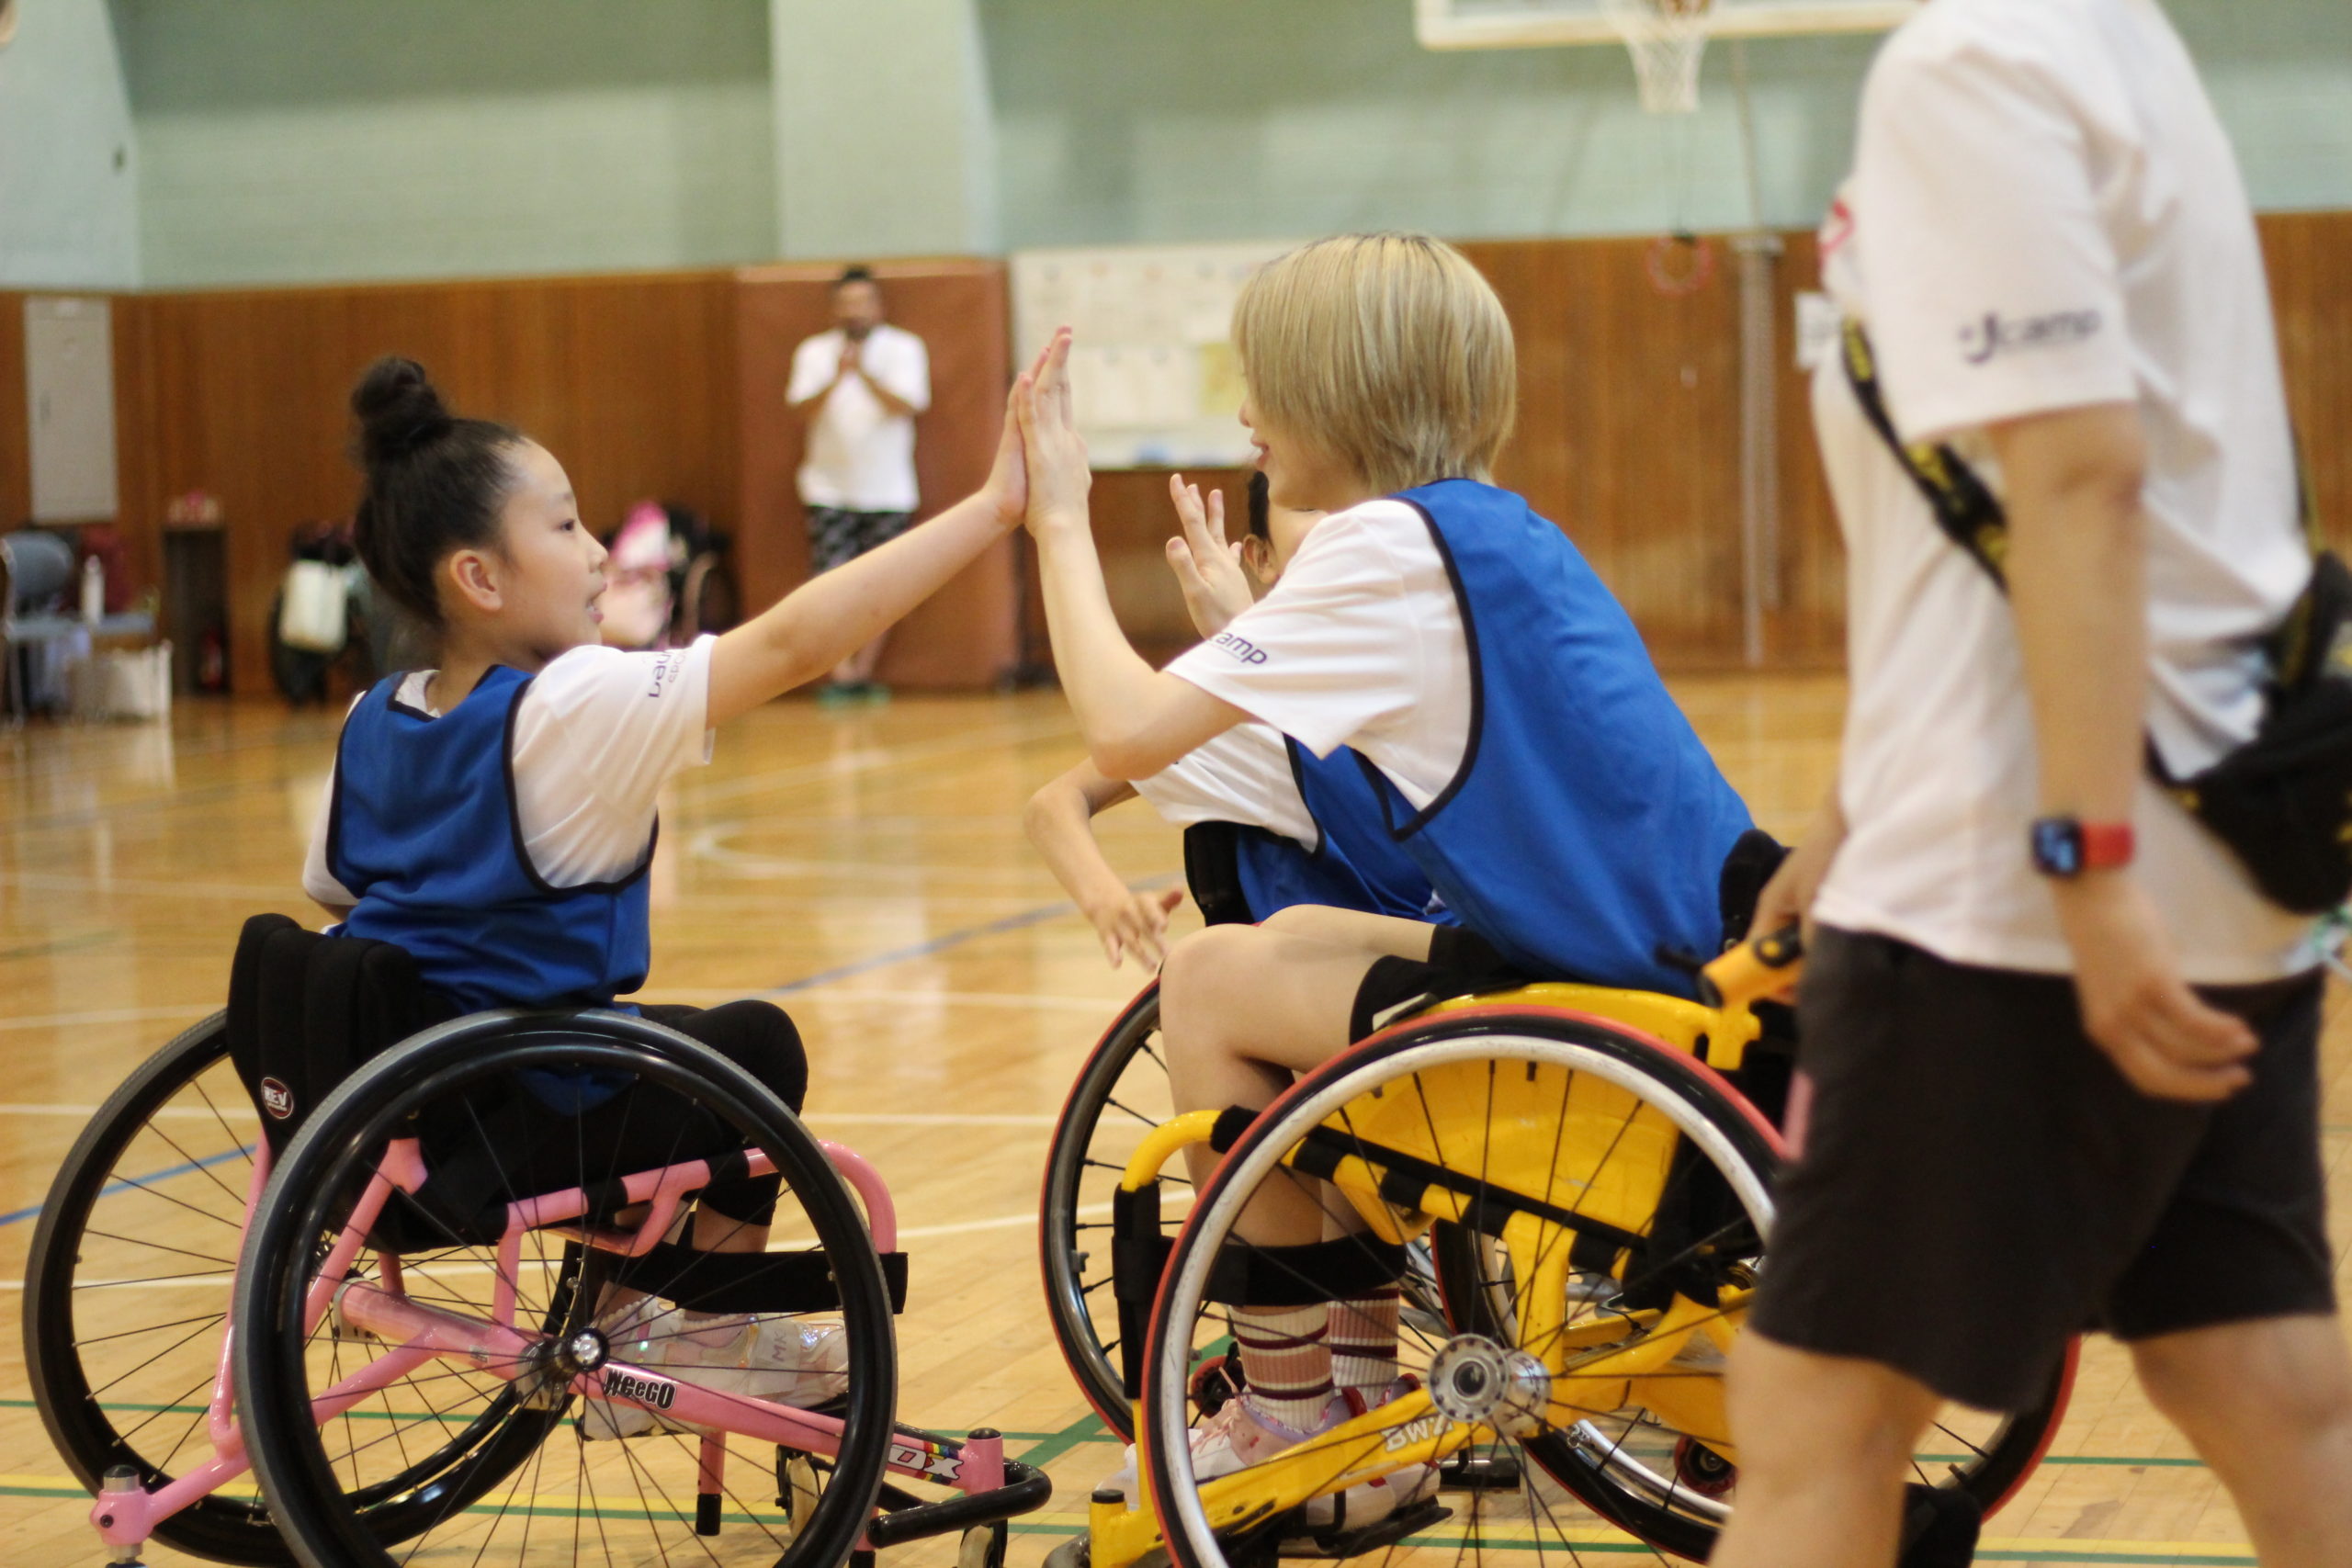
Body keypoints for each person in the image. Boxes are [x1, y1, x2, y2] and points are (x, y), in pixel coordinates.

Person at [1711, 4, 2352, 1566]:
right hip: (2215, 848)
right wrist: (1852, 813)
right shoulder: (2106, 41)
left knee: (1817, 1416)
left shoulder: (1975, 65)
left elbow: (2082, 476)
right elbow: (1984, 520)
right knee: (2254, 1372)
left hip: (2020, 891)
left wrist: (2088, 864)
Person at [1012, 234, 1756, 1518]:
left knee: (1205, 986)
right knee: (1276, 943)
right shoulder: (1490, 530)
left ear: (1334, 390)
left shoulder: (1384, 549)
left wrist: (1061, 518)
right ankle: (1354, 1403)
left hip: (1604, 1003)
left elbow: (1121, 735)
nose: (1247, 414)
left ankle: (1296, 1405)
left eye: (1261, 381)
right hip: (1667, 959)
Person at [301, 348, 1035, 1432]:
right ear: (480, 579)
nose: (602, 553)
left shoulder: (376, 714)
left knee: (665, 1039)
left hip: (389, 1138)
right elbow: (795, 642)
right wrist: (992, 509)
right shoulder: (570, 703)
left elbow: (336, 898)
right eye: (566, 526)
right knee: (751, 1048)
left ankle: (625, 1319)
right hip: (516, 1122)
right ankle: (690, 1338)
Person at [1024, 472, 1452, 972]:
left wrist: (1242, 632)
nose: (1341, 521)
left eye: (1358, 503)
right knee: (1209, 964)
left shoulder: (1436, 658)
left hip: (1475, 954)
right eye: (1310, 506)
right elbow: (1055, 803)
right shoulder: (1249, 725)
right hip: (1392, 979)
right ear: (1261, 557)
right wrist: (1108, 901)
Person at [786, 265, 932, 704]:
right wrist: (836, 376)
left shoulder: (904, 348)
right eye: (846, 304)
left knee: (884, 587)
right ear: (834, 309)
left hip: (888, 490)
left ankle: (863, 672)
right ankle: (840, 672)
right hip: (827, 488)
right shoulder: (814, 352)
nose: (855, 311)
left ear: (878, 306)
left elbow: (909, 405)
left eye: (863, 302)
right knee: (830, 585)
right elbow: (801, 410)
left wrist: (864, 373)